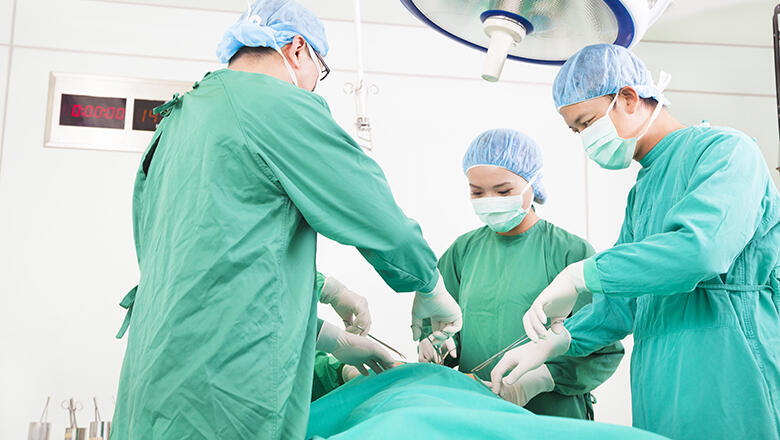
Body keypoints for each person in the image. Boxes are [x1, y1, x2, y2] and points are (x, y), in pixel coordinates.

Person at [110, 1, 461, 439]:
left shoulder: (177, 119)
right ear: (298, 50)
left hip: (150, 390)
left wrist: (326, 332)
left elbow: (210, 263)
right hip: (224, 401)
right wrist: (429, 286)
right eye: (321, 71)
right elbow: (376, 214)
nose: (315, 88)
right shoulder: (277, 104)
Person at [489, 44, 780, 439]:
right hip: (659, 386)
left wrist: (580, 275)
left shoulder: (726, 151)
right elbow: (623, 302)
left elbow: (700, 251)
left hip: (730, 373)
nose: (585, 139)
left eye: (587, 122)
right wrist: (558, 342)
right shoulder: (643, 190)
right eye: (576, 130)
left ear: (628, 97)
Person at [418, 129, 624, 419]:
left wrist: (540, 379)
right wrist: (436, 346)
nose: (489, 199)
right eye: (477, 192)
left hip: (553, 417)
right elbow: (444, 329)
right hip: (477, 414)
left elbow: (604, 349)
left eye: (503, 191)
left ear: (532, 183)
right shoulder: (462, 252)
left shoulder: (570, 252)